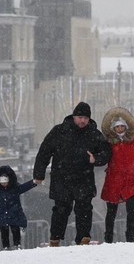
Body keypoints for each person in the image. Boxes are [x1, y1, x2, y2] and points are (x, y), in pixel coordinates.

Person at [33, 102, 111, 247]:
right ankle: (55, 239)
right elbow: (44, 152)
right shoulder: (59, 131)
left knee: (84, 209)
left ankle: (83, 239)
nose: (83, 121)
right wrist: (39, 174)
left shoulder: (94, 134)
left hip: (84, 178)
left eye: (86, 118)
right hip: (62, 178)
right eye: (80, 117)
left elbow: (106, 152)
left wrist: (95, 159)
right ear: (74, 116)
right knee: (61, 210)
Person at [100, 106, 134, 244]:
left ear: (126, 126)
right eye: (117, 127)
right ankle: (108, 237)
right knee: (111, 212)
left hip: (130, 180)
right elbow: (102, 155)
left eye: (122, 126)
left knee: (131, 210)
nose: (120, 129)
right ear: (113, 128)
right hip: (113, 180)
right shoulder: (108, 142)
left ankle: (130, 236)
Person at [0, 165, 36, 251]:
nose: (3, 184)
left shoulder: (15, 188)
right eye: (2, 182)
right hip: (3, 215)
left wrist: (33, 182)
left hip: (14, 213)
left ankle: (17, 244)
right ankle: (6, 246)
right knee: (4, 231)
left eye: (5, 182)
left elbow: (24, 187)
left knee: (15, 229)